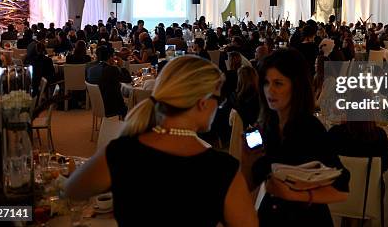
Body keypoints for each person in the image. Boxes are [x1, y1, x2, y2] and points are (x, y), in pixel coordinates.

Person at [65, 55, 258, 227]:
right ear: (203, 102)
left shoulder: (123, 151)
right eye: (219, 98)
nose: (220, 105)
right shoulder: (221, 168)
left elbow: (73, 190)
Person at [241, 48, 349, 226]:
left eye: (278, 83)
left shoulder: (311, 129)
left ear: (296, 86)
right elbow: (249, 185)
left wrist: (294, 195)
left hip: (306, 219)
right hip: (271, 216)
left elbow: (341, 191)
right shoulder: (266, 127)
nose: (270, 91)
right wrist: (247, 159)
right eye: (266, 83)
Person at [86, 46, 130, 118]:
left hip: (97, 104)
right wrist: (122, 67)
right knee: (132, 105)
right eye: (113, 56)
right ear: (110, 57)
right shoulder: (112, 70)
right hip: (111, 106)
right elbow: (128, 79)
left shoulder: (90, 69)